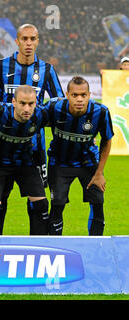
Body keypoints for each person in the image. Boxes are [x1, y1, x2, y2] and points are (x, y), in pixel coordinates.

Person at [0, 23, 65, 234]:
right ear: (17, 41)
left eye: (33, 39)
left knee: (38, 203)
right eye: (24, 39)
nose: (29, 43)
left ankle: (35, 246)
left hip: (34, 150)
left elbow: (59, 103)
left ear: (38, 41)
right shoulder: (1, 65)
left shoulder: (47, 70)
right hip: (1, 147)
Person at [44, 76, 114, 236]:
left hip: (88, 164)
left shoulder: (101, 112)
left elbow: (107, 140)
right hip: (59, 163)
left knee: (97, 203)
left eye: (83, 95)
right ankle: (55, 245)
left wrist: (99, 173)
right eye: (75, 95)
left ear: (90, 94)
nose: (79, 99)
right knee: (57, 203)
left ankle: (97, 244)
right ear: (67, 94)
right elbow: (37, 123)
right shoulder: (53, 107)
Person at [0, 85, 50, 235]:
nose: (27, 108)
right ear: (13, 102)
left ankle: (39, 246)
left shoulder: (41, 114)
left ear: (36, 103)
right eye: (22, 103)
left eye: (31, 104)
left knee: (41, 205)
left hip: (24, 163)